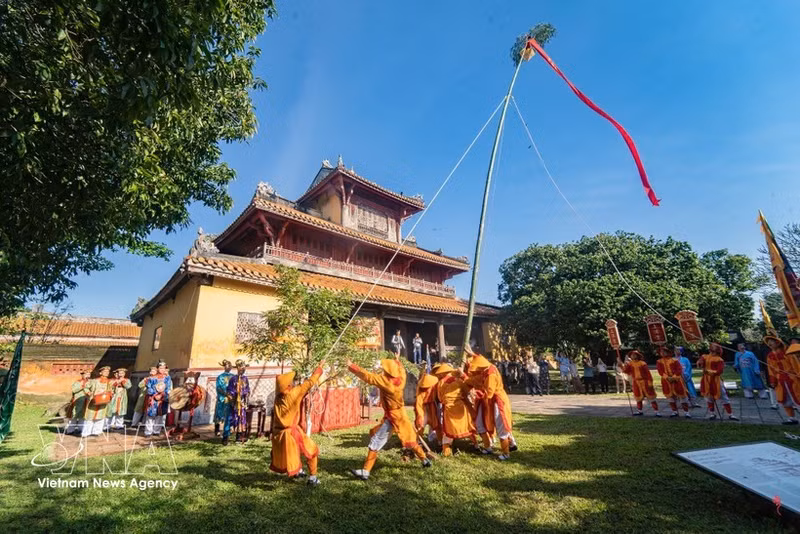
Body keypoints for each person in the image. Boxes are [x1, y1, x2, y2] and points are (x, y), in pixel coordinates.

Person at [348, 356, 431, 480]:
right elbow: (402, 370)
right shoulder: (401, 379)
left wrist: (352, 366)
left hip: (392, 417)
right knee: (410, 438)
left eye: (384, 369)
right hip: (401, 414)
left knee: (375, 442)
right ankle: (425, 460)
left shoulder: (386, 382)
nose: (383, 369)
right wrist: (397, 360)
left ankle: (365, 471)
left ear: (388, 372)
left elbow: (368, 377)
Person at [270, 361, 325, 485]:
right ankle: (313, 478)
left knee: (295, 452)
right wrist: (319, 369)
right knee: (312, 451)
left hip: (279, 433)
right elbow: (309, 383)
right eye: (291, 382)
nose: (293, 383)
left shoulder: (277, 397)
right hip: (291, 432)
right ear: (288, 386)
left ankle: (298, 471)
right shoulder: (293, 394)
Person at [463, 346, 515, 460]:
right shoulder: (486, 369)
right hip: (488, 401)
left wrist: (475, 394)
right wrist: (472, 354)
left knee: (501, 424)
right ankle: (488, 446)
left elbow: (489, 393)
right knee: (480, 423)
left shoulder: (490, 374)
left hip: (497, 402)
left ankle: (506, 453)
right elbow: (473, 378)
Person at [436, 364, 479, 456]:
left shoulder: (440, 383)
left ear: (443, 373)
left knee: (448, 430)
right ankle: (476, 445)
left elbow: (440, 398)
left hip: (448, 409)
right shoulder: (458, 381)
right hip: (460, 407)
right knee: (468, 427)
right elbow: (467, 390)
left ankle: (446, 452)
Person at [697, 343, 738, 421]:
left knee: (723, 396)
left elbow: (719, 371)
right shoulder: (704, 356)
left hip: (716, 380)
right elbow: (700, 364)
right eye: (712, 346)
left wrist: (708, 371)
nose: (712, 347)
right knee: (708, 397)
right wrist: (700, 362)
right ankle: (712, 414)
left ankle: (730, 414)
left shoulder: (719, 359)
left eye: (714, 346)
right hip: (706, 380)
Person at [765, 336, 800, 425]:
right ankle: (791, 418)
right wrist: (772, 380)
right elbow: (771, 369)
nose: (769, 344)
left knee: (798, 398)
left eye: (771, 341)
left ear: (777, 342)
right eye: (768, 342)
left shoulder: (787, 352)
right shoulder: (770, 356)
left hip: (792, 379)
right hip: (780, 380)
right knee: (785, 400)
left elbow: (796, 365)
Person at [617, 350, 660, 417]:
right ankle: (640, 411)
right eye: (632, 355)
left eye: (635, 354)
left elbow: (648, 374)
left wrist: (650, 382)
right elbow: (626, 370)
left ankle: (657, 411)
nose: (633, 356)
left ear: (638, 356)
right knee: (638, 398)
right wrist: (621, 365)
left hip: (644, 382)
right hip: (636, 382)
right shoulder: (630, 364)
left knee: (651, 398)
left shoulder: (642, 363)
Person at [656, 346, 691, 418]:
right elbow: (660, 371)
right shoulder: (659, 362)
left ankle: (686, 412)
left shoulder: (674, 360)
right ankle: (674, 411)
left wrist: (674, 377)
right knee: (670, 397)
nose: (662, 353)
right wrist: (667, 377)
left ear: (668, 352)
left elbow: (679, 369)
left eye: (664, 351)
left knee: (682, 397)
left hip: (677, 380)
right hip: (666, 381)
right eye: (661, 352)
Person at [82, 366, 113, 436]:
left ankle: (96, 431)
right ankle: (86, 432)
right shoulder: (94, 381)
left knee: (100, 417)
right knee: (90, 417)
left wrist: (110, 394)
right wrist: (89, 393)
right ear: (100, 373)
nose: (107, 373)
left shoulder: (109, 382)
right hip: (93, 401)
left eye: (108, 372)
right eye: (105, 371)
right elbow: (86, 387)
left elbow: (111, 390)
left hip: (103, 401)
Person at [414, 369, 441, 449]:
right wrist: (420, 416)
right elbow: (419, 405)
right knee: (421, 425)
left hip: (432, 408)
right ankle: (417, 442)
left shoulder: (434, 387)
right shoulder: (420, 392)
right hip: (424, 409)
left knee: (437, 425)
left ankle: (440, 441)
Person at [225, 359, 250, 445]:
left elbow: (247, 389)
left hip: (242, 402)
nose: (243, 370)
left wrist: (245, 393)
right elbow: (229, 389)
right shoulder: (233, 379)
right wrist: (234, 393)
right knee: (235, 418)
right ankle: (229, 436)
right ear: (238, 369)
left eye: (244, 369)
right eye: (241, 369)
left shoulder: (245, 379)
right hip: (235, 402)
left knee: (242, 419)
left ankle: (240, 437)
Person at [144, 360, 172, 437]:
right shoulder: (152, 378)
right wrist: (154, 394)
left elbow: (168, 388)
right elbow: (148, 387)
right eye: (160, 368)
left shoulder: (167, 378)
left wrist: (162, 395)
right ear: (157, 369)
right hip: (153, 398)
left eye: (164, 368)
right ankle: (148, 432)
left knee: (160, 415)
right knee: (150, 416)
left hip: (162, 399)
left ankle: (156, 431)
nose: (162, 370)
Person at [214, 360, 234, 437]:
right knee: (219, 413)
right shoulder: (220, 377)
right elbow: (218, 387)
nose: (228, 367)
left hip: (231, 398)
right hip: (222, 398)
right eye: (226, 365)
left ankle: (230, 428)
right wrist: (225, 393)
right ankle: (217, 429)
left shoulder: (233, 376)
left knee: (230, 413)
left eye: (229, 365)